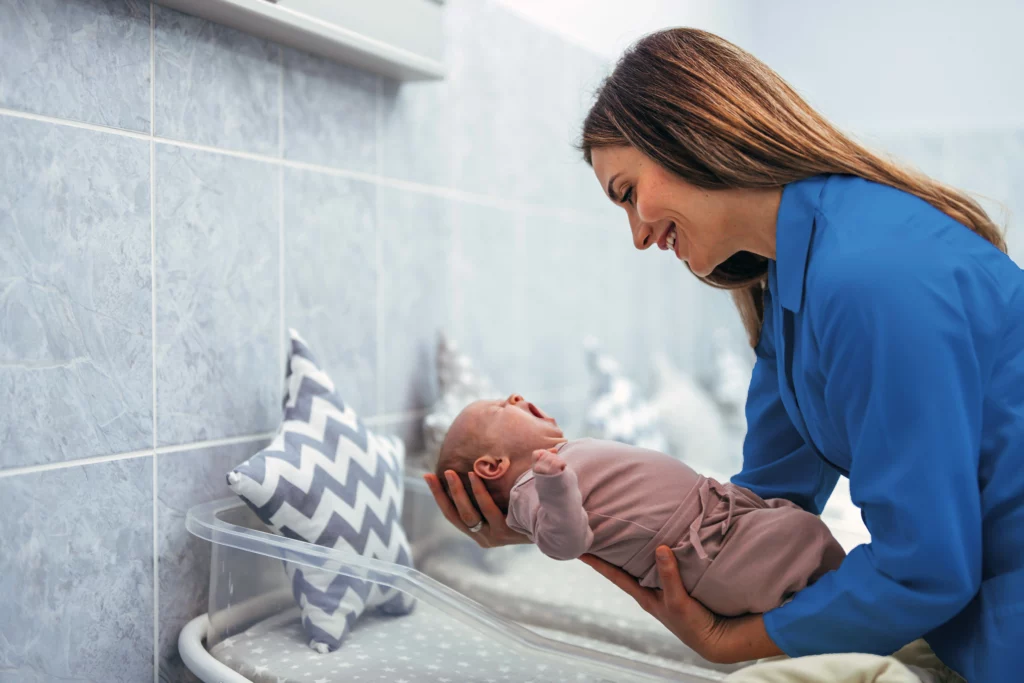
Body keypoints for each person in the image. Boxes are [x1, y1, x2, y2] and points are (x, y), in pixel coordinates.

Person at [426, 28, 1024, 681]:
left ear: (684, 132)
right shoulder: (790, 289)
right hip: (969, 625)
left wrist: (728, 641)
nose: (638, 235)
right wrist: (539, 516)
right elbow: (764, 501)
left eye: (627, 193)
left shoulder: (868, 274)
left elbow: (926, 569)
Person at [435, 394, 845, 616]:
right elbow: (565, 543)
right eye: (499, 408)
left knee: (795, 532)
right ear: (492, 466)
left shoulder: (558, 459)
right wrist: (555, 485)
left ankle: (837, 608)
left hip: (722, 523)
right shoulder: (533, 488)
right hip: (707, 550)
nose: (515, 396)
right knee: (802, 539)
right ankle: (849, 612)